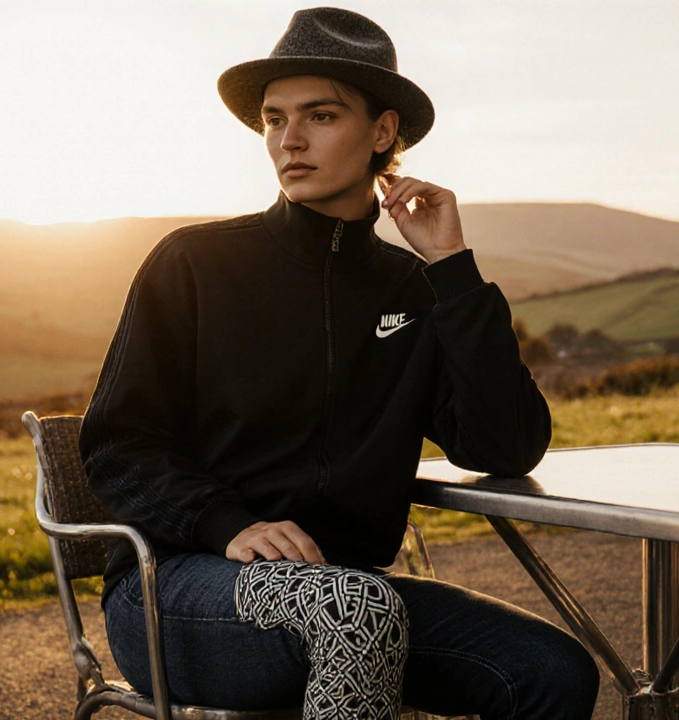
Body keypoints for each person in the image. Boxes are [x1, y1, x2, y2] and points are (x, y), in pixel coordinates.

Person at [79, 7, 600, 719]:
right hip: (177, 586)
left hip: (352, 591)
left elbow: (503, 444)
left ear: (383, 132)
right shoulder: (195, 263)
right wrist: (226, 522)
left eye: (319, 115)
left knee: (552, 671)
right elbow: (117, 443)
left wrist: (451, 271)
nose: (288, 140)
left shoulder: (413, 291)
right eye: (273, 119)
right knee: (353, 611)